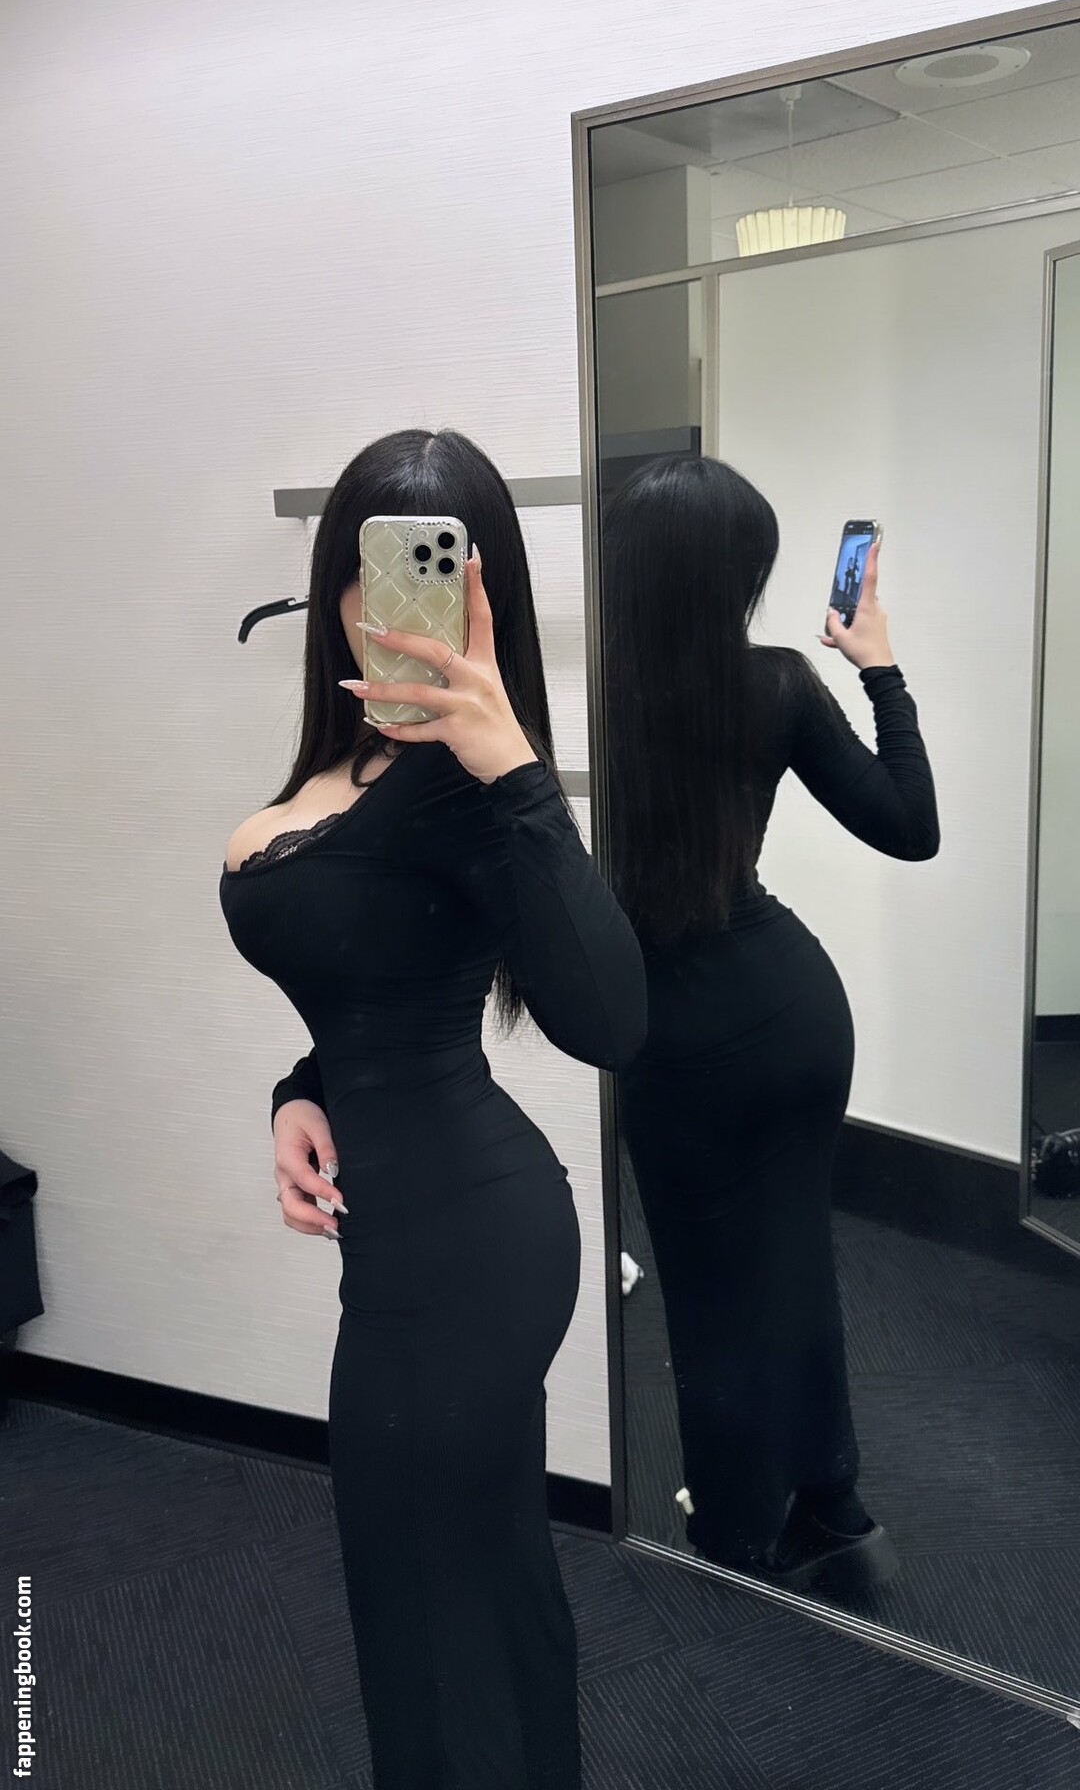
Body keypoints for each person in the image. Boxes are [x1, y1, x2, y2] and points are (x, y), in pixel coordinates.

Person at [219, 428, 646, 1790]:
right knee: (455, 1571)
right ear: (335, 589)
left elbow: (609, 1021)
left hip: (472, 1243)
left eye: (427, 576)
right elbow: (366, 979)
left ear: (481, 596)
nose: (386, 611)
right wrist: (301, 1090)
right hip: (405, 1228)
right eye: (366, 575)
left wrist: (515, 763)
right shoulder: (344, 770)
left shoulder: (477, 793)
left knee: (428, 1580)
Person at [603, 454, 939, 1599]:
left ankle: (740, 1523)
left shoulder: (590, 697)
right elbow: (910, 825)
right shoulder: (777, 684)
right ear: (736, 575)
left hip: (679, 1038)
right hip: (794, 1014)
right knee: (793, 1260)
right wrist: (880, 666)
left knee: (709, 1291)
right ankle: (831, 1494)